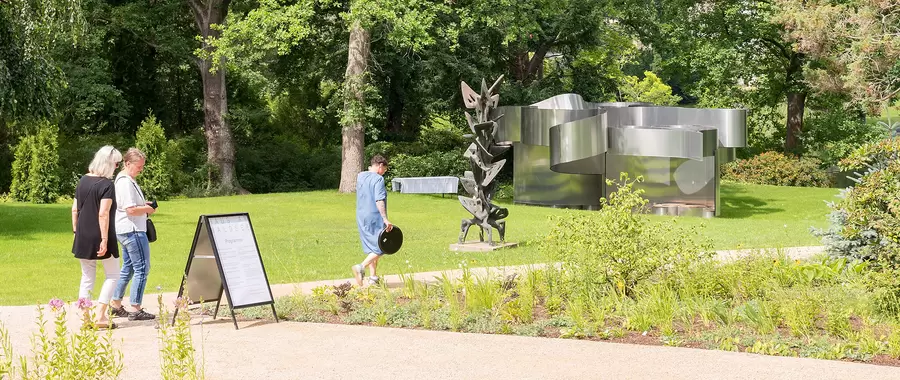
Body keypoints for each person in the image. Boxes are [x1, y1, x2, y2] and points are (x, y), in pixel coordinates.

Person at [72, 145, 122, 329]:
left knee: (86, 277)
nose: (117, 167)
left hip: (83, 233)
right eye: (116, 163)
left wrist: (76, 230)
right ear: (109, 164)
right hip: (100, 234)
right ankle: (100, 316)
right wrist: (104, 239)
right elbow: (103, 213)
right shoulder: (107, 185)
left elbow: (74, 208)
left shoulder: (82, 180)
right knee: (113, 274)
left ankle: (85, 317)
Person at [109, 148, 157, 321]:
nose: (141, 169)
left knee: (128, 268)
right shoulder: (125, 182)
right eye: (139, 166)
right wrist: (148, 209)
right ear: (127, 164)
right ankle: (136, 308)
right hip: (132, 230)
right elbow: (130, 210)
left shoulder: (125, 180)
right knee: (142, 268)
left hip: (125, 230)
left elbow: (127, 205)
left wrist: (144, 204)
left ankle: (115, 303)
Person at [352, 155, 393, 287]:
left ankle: (373, 277)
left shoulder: (361, 176)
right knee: (381, 247)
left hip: (361, 215)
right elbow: (379, 199)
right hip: (374, 216)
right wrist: (385, 219)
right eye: (384, 169)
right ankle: (361, 267)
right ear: (380, 165)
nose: (384, 172)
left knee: (372, 247)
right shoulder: (378, 179)